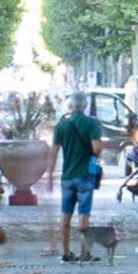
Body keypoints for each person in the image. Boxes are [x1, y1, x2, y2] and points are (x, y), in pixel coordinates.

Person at [50, 98, 106, 261]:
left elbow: (53, 152)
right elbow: (96, 148)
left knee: (65, 214)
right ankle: (83, 253)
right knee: (84, 215)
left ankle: (66, 253)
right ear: (85, 106)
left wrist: (49, 175)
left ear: (69, 107)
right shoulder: (91, 123)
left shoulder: (61, 125)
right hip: (85, 176)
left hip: (67, 177)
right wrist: (99, 148)